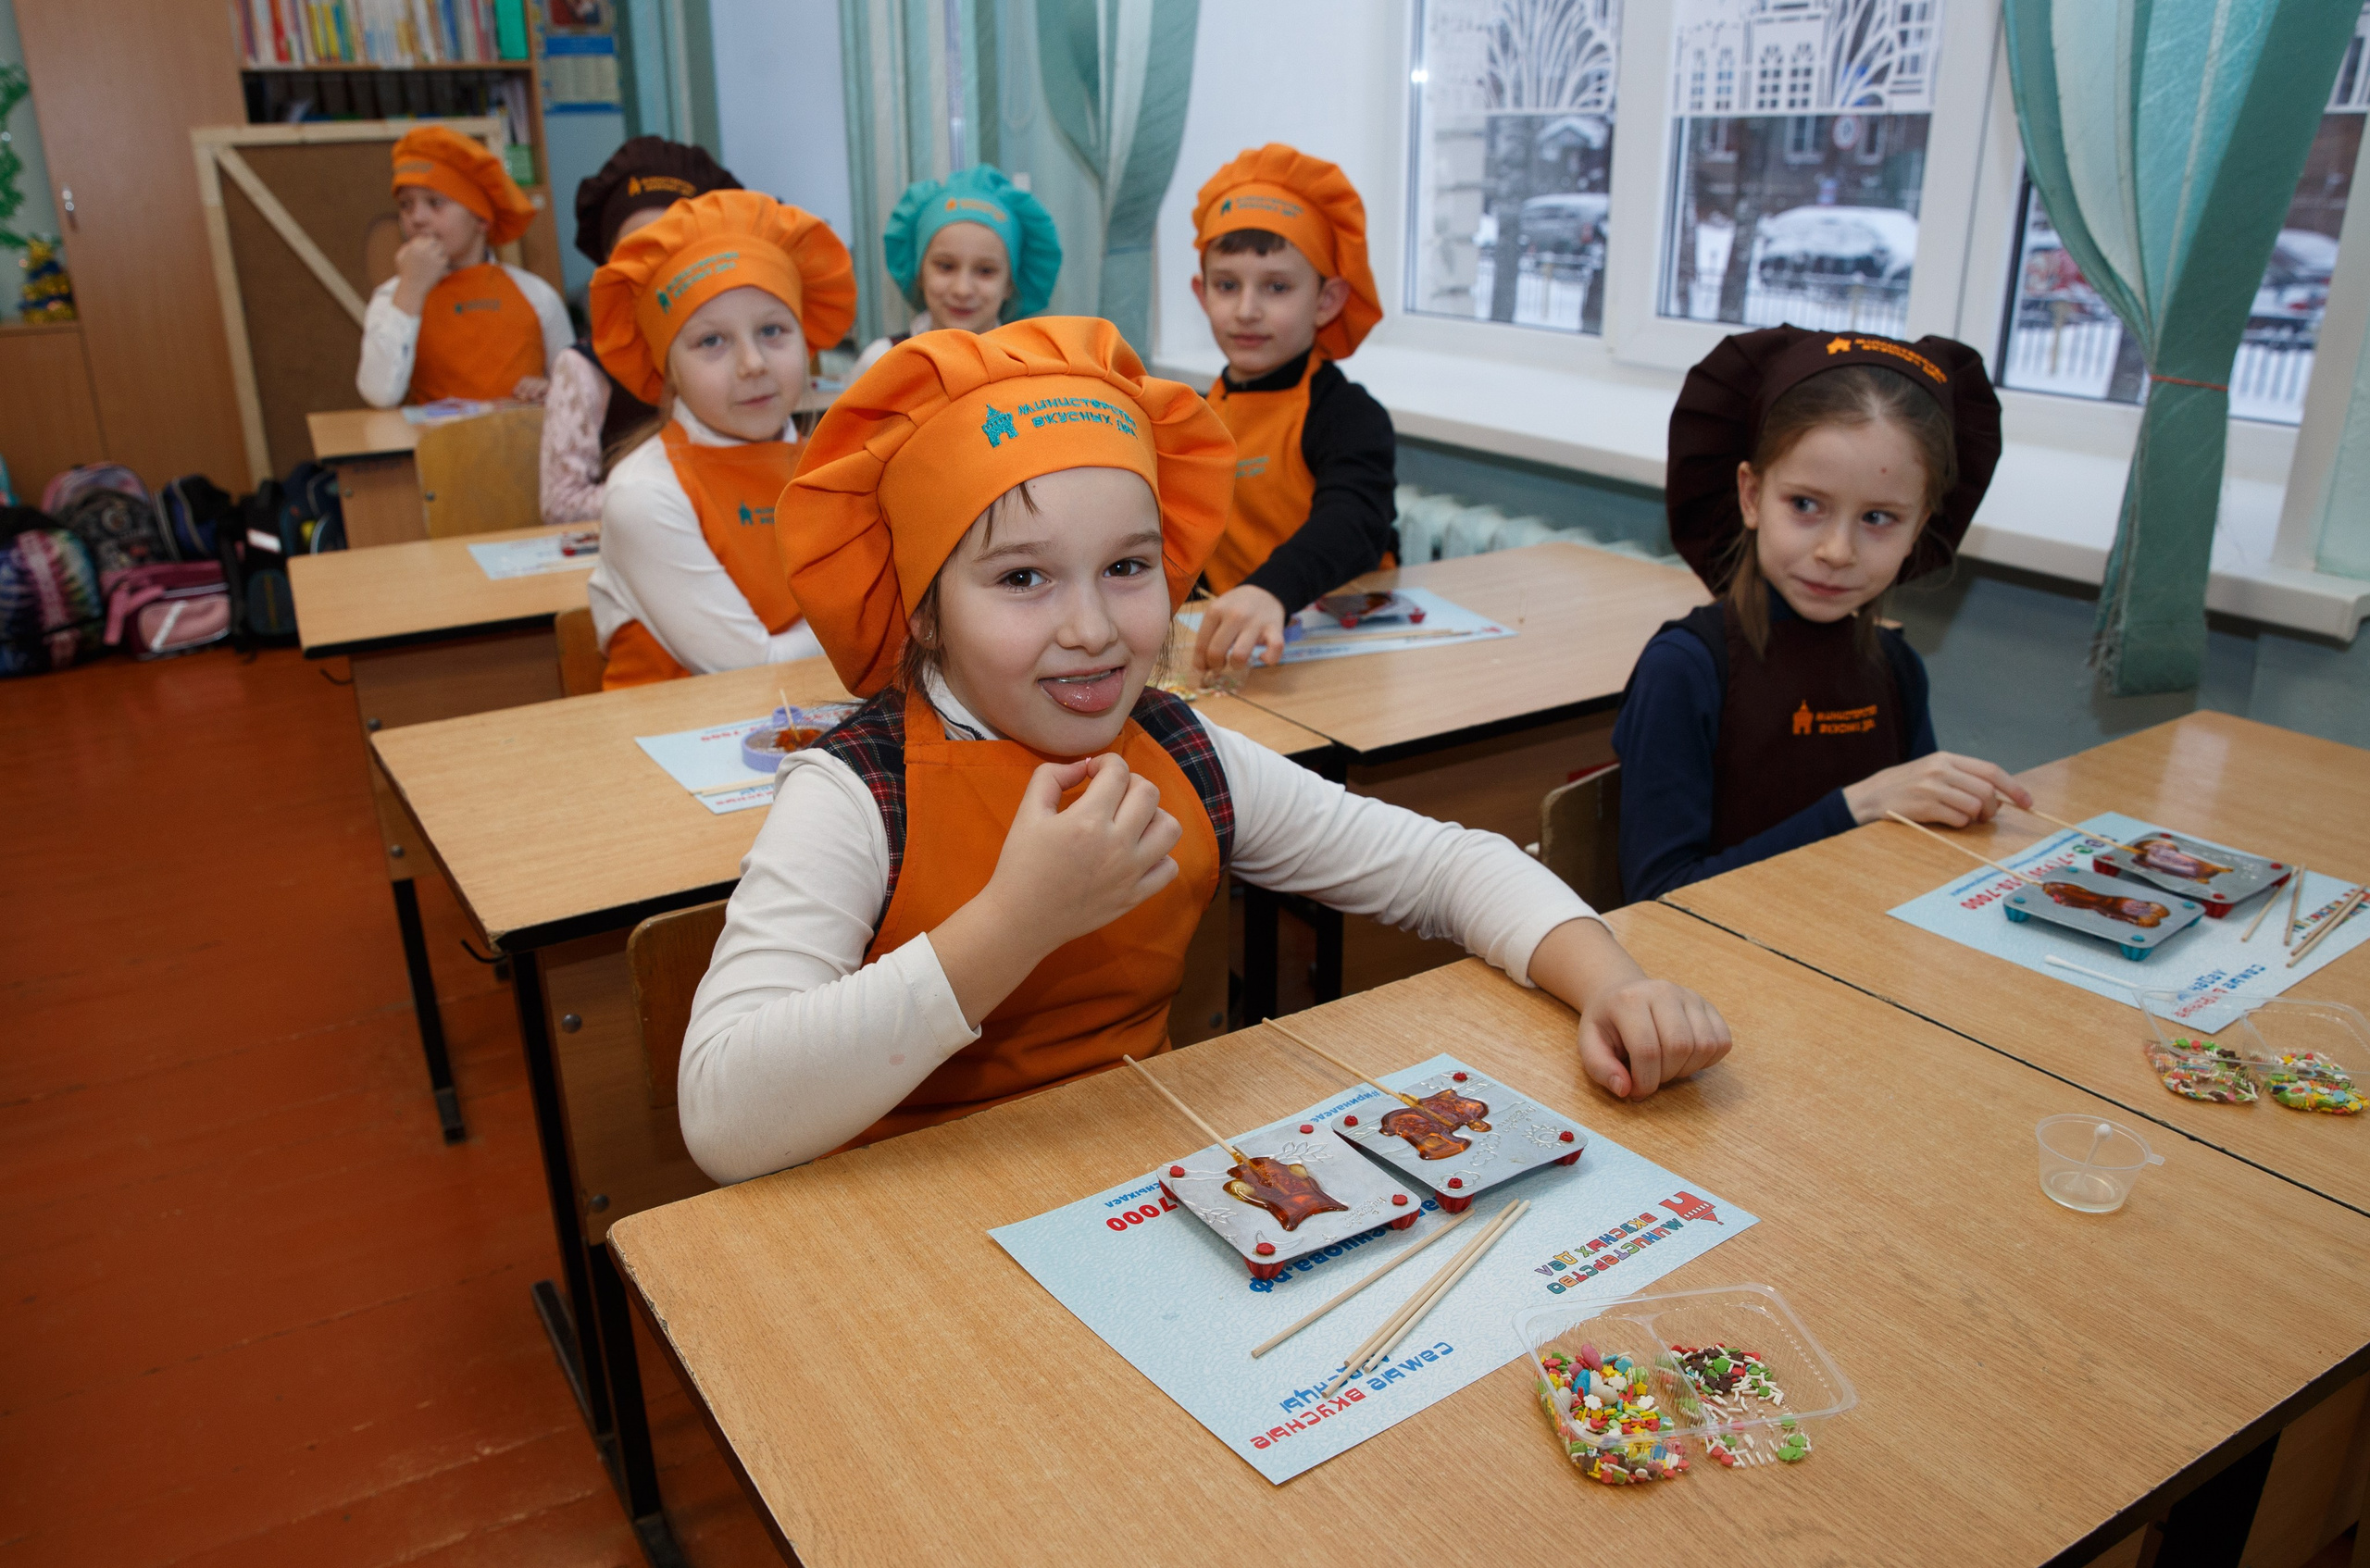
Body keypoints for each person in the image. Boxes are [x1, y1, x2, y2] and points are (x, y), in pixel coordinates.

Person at [674, 317, 1731, 1184]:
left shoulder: (1183, 751)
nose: (1091, 627)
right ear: (923, 615)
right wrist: (1017, 920)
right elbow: (724, 1117)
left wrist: (1610, 981)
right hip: (895, 1216)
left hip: (1131, 1183)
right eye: (1022, 579)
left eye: (1128, 566)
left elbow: (1445, 865)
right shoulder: (857, 793)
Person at [1612, 326, 2034, 902]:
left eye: (1879, 518)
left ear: (1920, 526)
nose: (1837, 552)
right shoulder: (1685, 669)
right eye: (1806, 505)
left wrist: (1954, 805)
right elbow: (1659, 897)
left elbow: (1914, 860)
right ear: (1752, 496)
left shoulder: (1898, 667)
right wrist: (1859, 806)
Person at [581, 190, 854, 688]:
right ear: (668, 371)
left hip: (812, 725)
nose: (753, 364)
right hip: (675, 745)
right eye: (711, 341)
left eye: (773, 330)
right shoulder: (644, 494)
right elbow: (745, 668)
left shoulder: (836, 464)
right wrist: (881, 623)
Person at [1186, 143, 1396, 684]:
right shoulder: (1194, 417)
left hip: (1345, 645)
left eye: (1276, 287)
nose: (1246, 310)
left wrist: (1270, 590)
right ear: (1201, 293)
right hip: (1244, 646)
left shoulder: (1348, 414)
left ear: (1327, 301)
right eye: (1226, 285)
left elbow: (1355, 523)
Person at [541, 137, 742, 525]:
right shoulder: (584, 368)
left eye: (675, 248)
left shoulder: (745, 355)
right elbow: (560, 503)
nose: (654, 269)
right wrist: (684, 497)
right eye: (635, 252)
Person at [356, 126, 569, 408]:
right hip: (435, 450)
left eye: (435, 203)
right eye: (406, 205)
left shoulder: (536, 295)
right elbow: (379, 394)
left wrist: (550, 391)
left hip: (522, 447)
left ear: (481, 220)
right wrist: (411, 290)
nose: (417, 218)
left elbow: (576, 390)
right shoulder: (393, 297)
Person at [851, 164, 1061, 376]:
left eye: (986, 271)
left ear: (1009, 284)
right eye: (946, 266)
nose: (962, 290)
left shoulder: (1030, 371)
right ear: (919, 273)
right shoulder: (880, 364)